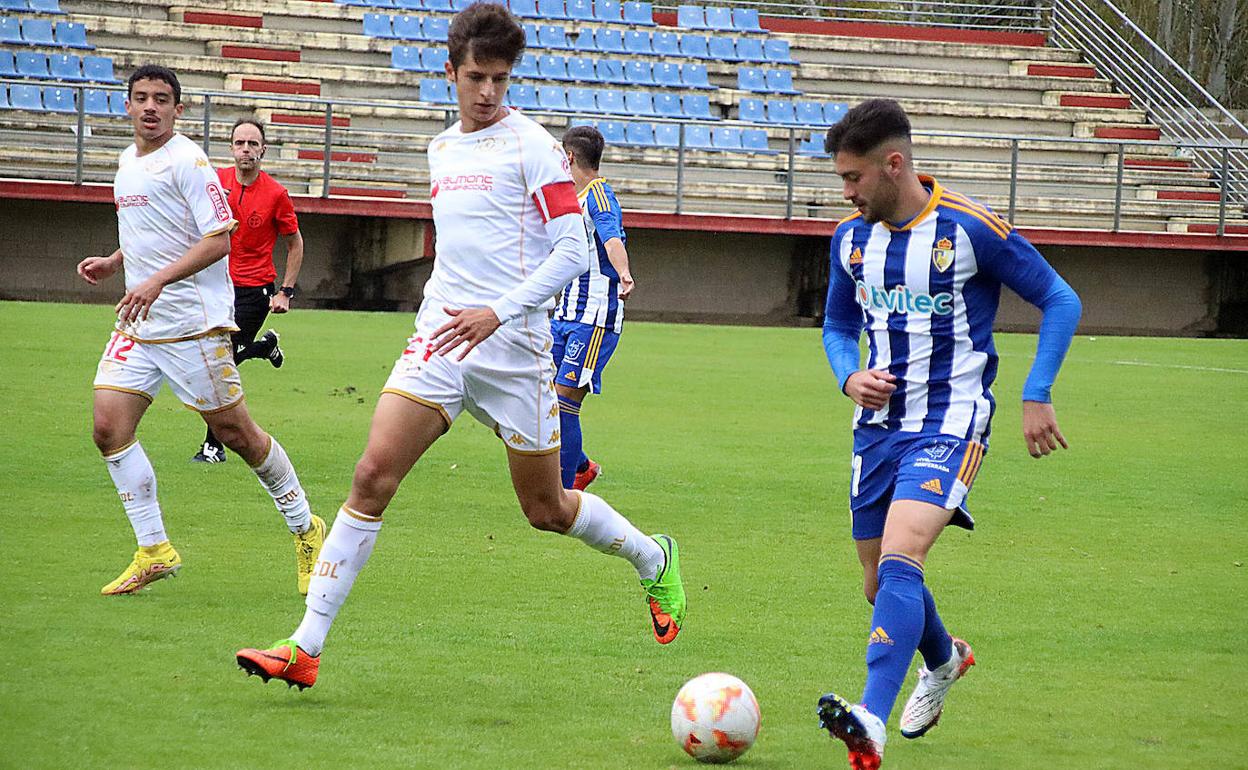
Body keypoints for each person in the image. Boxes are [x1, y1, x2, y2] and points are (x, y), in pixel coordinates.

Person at [234, 3, 686, 691]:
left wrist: (498, 313)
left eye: (501, 79)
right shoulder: (440, 149)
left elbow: (571, 250)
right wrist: (456, 313)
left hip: (515, 349)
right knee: (370, 477)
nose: (489, 92)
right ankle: (305, 645)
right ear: (450, 72)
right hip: (441, 338)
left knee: (546, 509)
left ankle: (654, 560)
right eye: (477, 77)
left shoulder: (534, 146)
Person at [812, 99, 1081, 769]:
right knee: (878, 584)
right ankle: (944, 657)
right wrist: (849, 377)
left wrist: (1036, 393)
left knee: (904, 559)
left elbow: (1060, 298)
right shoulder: (849, 239)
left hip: (951, 420)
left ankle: (870, 718)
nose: (845, 192)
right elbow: (838, 327)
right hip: (876, 430)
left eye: (853, 179)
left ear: (893, 164)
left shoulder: (968, 229)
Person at [77, 65, 325, 597]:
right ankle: (154, 549)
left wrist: (157, 282)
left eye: (161, 99)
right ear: (126, 106)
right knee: (108, 427)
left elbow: (219, 239)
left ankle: (307, 529)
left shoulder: (189, 161)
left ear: (177, 109)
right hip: (142, 322)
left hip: (192, 324)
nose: (150, 107)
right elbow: (154, 232)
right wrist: (116, 261)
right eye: (140, 97)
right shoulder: (126, 162)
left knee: (239, 435)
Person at [191, 118, 305, 464]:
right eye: (240, 143)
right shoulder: (216, 182)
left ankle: (213, 445)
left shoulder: (276, 194)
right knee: (216, 358)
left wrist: (285, 292)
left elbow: (295, 243)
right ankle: (265, 348)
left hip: (255, 289)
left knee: (223, 362)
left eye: (252, 144)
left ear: (263, 150)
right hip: (215, 285)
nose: (246, 150)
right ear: (231, 148)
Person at [552, 124, 634, 491]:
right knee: (539, 398)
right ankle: (581, 466)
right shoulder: (572, 197)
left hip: (594, 318)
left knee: (565, 400)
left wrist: (625, 273)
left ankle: (565, 490)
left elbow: (611, 237)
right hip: (564, 314)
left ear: (568, 156)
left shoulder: (599, 197)